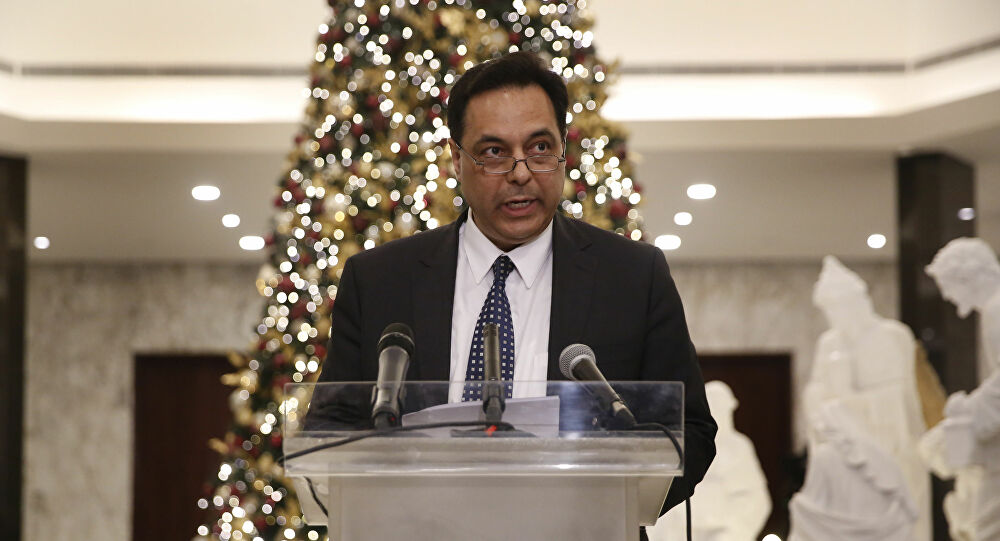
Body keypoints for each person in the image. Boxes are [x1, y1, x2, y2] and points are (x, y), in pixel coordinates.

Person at [309, 51, 717, 519]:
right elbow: (329, 428)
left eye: (540, 147)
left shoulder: (632, 276)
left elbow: (690, 430)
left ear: (563, 150)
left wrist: (604, 501)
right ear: (456, 160)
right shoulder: (380, 280)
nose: (521, 172)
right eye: (494, 152)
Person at [801, 255, 930, 541]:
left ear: (858, 301)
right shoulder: (829, 343)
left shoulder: (893, 335)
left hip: (888, 443)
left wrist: (847, 399)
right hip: (845, 449)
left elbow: (900, 399)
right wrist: (829, 393)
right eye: (830, 311)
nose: (835, 317)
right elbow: (815, 395)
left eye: (839, 307)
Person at [919, 237, 1000, 541]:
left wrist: (969, 408)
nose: (947, 296)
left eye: (948, 285)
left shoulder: (996, 310)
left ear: (968, 276)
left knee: (988, 524)